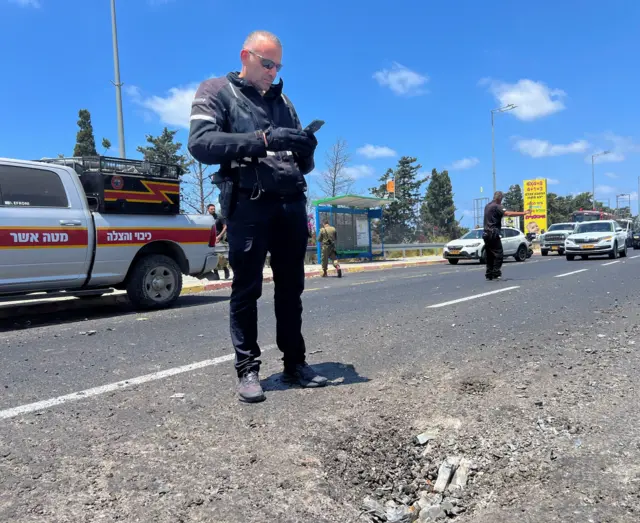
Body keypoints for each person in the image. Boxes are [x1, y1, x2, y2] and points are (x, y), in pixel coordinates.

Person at [188, 30, 327, 403]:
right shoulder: (216, 90)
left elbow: (302, 163)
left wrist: (306, 148)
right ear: (245, 56)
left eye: (278, 65)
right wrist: (264, 140)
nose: (273, 71)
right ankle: (248, 370)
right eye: (267, 63)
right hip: (248, 204)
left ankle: (295, 364)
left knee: (291, 289)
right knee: (247, 289)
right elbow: (201, 143)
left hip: (289, 204)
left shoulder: (284, 100)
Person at [483, 191, 531, 281]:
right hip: (493, 233)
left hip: (486, 233)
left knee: (489, 255)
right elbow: (508, 214)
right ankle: (496, 273)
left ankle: (489, 273)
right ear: (500, 198)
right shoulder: (497, 206)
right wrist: (524, 213)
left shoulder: (487, 206)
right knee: (499, 254)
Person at [207, 203, 230, 280]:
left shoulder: (219, 217)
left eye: (214, 209)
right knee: (212, 256)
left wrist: (220, 236)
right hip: (209, 240)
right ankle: (216, 274)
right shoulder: (206, 218)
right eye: (211, 209)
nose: (213, 210)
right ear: (208, 210)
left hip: (218, 239)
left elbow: (225, 226)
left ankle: (225, 268)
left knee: (219, 255)